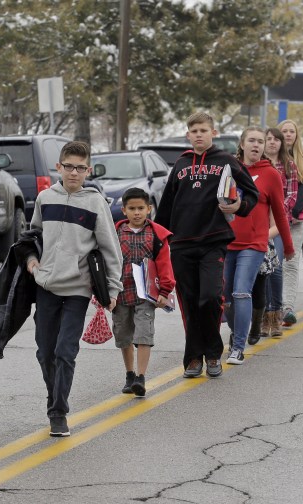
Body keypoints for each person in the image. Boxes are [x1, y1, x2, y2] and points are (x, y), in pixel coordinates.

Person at [25, 141, 123, 437]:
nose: (74, 172)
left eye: (80, 168)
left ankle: (58, 412)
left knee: (65, 351)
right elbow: (32, 238)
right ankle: (54, 396)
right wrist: (31, 262)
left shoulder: (95, 203)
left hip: (79, 288)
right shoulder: (45, 197)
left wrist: (113, 290)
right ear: (59, 167)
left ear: (87, 170)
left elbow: (110, 249)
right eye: (69, 166)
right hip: (47, 286)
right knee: (45, 352)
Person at [154, 112, 258, 379]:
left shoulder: (226, 162)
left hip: (214, 241)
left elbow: (252, 194)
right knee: (189, 303)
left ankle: (213, 353)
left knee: (210, 297)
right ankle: (193, 358)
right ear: (188, 135)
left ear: (213, 132)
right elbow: (165, 207)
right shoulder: (180, 164)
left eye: (203, 130)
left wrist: (239, 206)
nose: (199, 134)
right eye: (194, 131)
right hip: (182, 244)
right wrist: (154, 243)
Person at [224, 127, 293, 365]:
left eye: (260, 142)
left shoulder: (271, 174)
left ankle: (238, 347)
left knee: (242, 291)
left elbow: (280, 214)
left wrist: (289, 246)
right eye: (251, 141)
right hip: (226, 242)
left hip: (254, 244)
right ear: (242, 144)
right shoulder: (229, 170)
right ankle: (236, 331)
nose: (256, 145)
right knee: (227, 298)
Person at [112, 188, 174, 397]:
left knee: (144, 333)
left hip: (146, 295)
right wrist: (104, 291)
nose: (136, 213)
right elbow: (107, 262)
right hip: (121, 293)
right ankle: (129, 373)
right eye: (132, 209)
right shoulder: (115, 233)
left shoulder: (157, 235)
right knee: (123, 334)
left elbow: (164, 263)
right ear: (124, 210)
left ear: (149, 209)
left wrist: (165, 290)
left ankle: (141, 376)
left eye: (141, 208)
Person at [277, 120, 303, 329]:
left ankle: (287, 307)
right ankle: (272, 307)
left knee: (290, 263)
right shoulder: (271, 158)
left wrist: (297, 212)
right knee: (273, 265)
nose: (288, 134)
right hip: (273, 221)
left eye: (292, 131)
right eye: (284, 131)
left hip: (296, 221)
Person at [260, 127, 293, 337]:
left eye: (275, 139)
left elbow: (290, 198)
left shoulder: (289, 166)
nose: (272, 142)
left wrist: (278, 212)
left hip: (279, 225)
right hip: (259, 225)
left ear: (281, 143)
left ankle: (276, 316)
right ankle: (263, 317)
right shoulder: (258, 165)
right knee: (262, 271)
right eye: (268, 139)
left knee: (276, 268)